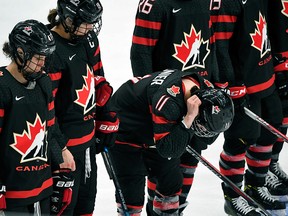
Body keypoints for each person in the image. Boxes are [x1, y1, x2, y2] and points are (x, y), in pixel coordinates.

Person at [130, 0, 219, 214]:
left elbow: (211, 42)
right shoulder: (154, 5)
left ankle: (175, 209)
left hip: (199, 92)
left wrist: (216, 84)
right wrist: (150, 98)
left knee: (191, 156)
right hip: (166, 99)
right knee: (165, 162)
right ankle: (157, 212)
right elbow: (140, 53)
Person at [109, 69, 234, 215]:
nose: (201, 130)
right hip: (125, 132)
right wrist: (187, 121)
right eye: (200, 125)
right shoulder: (169, 102)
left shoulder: (206, 91)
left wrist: (190, 125)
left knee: (171, 182)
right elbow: (168, 149)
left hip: (155, 130)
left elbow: (204, 139)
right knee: (131, 196)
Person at [211, 0, 287, 215]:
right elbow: (220, 44)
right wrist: (231, 84)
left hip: (265, 75)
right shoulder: (224, 3)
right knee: (240, 140)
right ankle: (233, 197)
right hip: (242, 85)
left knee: (269, 131)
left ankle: (256, 186)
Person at [46, 0, 118, 215]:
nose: (90, 28)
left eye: (92, 22)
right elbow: (45, 109)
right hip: (64, 152)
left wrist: (108, 114)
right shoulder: (49, 50)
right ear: (67, 18)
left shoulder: (88, 40)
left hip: (86, 146)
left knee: (86, 208)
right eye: (84, 22)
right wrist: (60, 149)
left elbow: (98, 79)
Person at [0, 19, 58, 215]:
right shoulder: (2, 88)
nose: (43, 64)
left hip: (42, 192)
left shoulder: (43, 82)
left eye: (45, 57)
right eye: (38, 57)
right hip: (11, 197)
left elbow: (49, 129)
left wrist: (60, 167)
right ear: (20, 52)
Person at [264, 0, 288, 201]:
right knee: (274, 116)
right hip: (272, 58)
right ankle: (263, 170)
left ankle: (272, 162)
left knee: (285, 115)